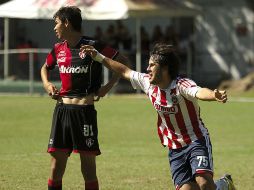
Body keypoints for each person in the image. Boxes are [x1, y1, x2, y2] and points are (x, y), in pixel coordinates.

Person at [80, 43, 236, 190]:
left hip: (196, 140)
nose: (147, 69)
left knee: (204, 183)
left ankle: (222, 184)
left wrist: (214, 95)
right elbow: (124, 71)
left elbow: (199, 91)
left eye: (152, 65)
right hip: (174, 147)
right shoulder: (148, 83)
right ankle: (222, 185)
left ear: (165, 68)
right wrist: (99, 57)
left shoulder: (181, 85)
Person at [41, 6, 127, 190]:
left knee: (88, 169)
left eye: (56, 23)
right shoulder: (58, 49)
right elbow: (44, 68)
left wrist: (107, 87)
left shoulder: (93, 46)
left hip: (84, 113)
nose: (54, 28)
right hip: (62, 111)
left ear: (66, 23)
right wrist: (47, 85)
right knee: (56, 168)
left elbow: (124, 62)